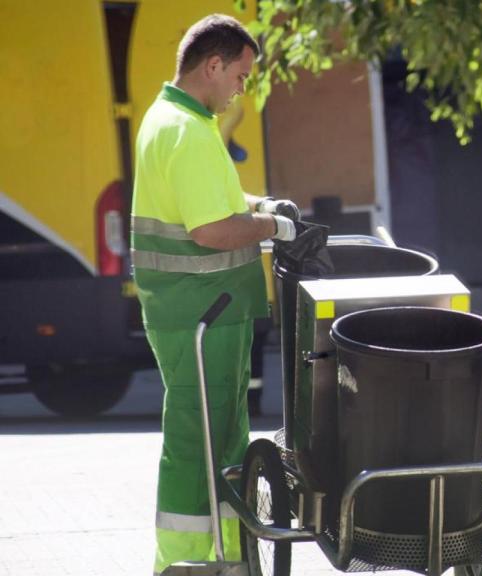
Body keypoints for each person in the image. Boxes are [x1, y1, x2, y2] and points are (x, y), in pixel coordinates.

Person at [129, 14, 299, 574]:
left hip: (204, 313)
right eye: (241, 76)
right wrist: (275, 230)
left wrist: (260, 205)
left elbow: (212, 201)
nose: (242, 89)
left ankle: (229, 555)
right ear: (214, 65)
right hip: (202, 315)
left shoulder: (178, 119)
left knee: (222, 442)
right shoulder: (186, 130)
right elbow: (209, 230)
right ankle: (182, 563)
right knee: (197, 443)